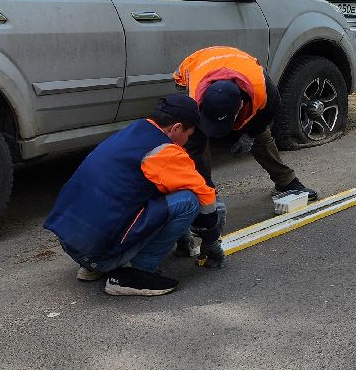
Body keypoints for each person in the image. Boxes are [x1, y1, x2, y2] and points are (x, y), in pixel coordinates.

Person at [43, 93, 222, 297]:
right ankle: (136, 272)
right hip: (97, 252)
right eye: (188, 134)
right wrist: (211, 240)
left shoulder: (133, 131)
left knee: (141, 193)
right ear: (176, 128)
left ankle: (94, 266)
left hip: (70, 242)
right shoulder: (165, 152)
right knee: (189, 201)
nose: (187, 141)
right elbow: (205, 199)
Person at [174, 46, 318, 202]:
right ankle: (204, 192)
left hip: (240, 68)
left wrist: (250, 135)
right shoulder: (193, 100)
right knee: (195, 142)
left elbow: (268, 114)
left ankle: (286, 182)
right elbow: (195, 147)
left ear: (240, 106)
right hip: (192, 69)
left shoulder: (263, 90)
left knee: (261, 136)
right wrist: (208, 199)